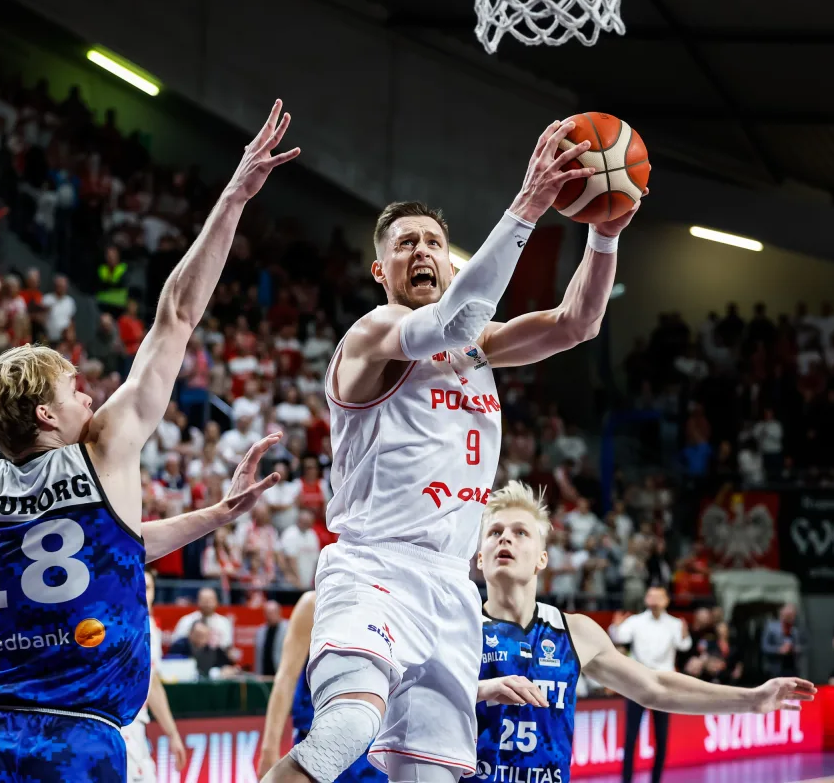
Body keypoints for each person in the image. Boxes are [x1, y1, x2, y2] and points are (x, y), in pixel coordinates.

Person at [262, 119, 646, 783]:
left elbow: (578, 322)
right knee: (345, 730)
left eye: (435, 243)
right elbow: (453, 321)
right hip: (373, 571)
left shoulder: (478, 348)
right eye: (405, 243)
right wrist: (526, 204)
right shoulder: (373, 334)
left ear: (450, 261)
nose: (423, 252)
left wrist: (605, 229)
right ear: (381, 268)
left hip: (450, 592)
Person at [0, 101, 298, 783]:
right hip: (73, 739)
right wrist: (232, 196)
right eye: (75, 388)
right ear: (47, 416)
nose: (89, 395)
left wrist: (218, 517)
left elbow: (116, 546)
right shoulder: (102, 448)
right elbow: (177, 314)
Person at [474, 482, 815, 783]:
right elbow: (419, 697)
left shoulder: (573, 631)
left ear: (542, 559)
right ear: (479, 558)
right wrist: (483, 689)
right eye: (494, 532)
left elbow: (655, 687)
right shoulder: (461, 627)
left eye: (521, 532)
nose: (505, 537)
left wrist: (751, 699)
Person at [258, 592, 387, 783]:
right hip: (320, 743)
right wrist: (269, 748)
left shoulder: (387, 604)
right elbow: (286, 678)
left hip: (372, 748)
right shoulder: (314, 604)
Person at [608, 586, 692, 783]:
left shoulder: (674, 623)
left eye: (657, 595)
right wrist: (616, 627)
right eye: (650, 595)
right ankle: (626, 780)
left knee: (662, 739)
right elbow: (619, 637)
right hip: (638, 682)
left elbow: (684, 645)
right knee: (630, 737)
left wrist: (684, 633)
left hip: (664, 685)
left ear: (666, 600)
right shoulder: (635, 621)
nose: (653, 598)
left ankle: (656, 780)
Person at [121, 571, 187, 783]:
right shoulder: (118, 624)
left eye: (148, 587)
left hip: (139, 726)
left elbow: (153, 683)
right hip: (119, 725)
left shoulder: (151, 628)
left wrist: (173, 733)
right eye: (139, 585)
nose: (143, 592)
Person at [760, 604, 804, 678]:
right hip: (775, 669)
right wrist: (779, 650)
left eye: (793, 615)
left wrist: (793, 649)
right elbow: (764, 647)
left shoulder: (795, 629)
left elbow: (803, 646)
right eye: (788, 615)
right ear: (782, 615)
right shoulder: (771, 627)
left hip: (792, 669)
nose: (791, 618)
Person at [255, 600, 288, 677]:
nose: (269, 616)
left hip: (281, 673)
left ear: (279, 612)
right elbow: (258, 656)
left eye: (272, 612)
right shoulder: (260, 631)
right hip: (264, 674)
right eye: (267, 613)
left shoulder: (288, 629)